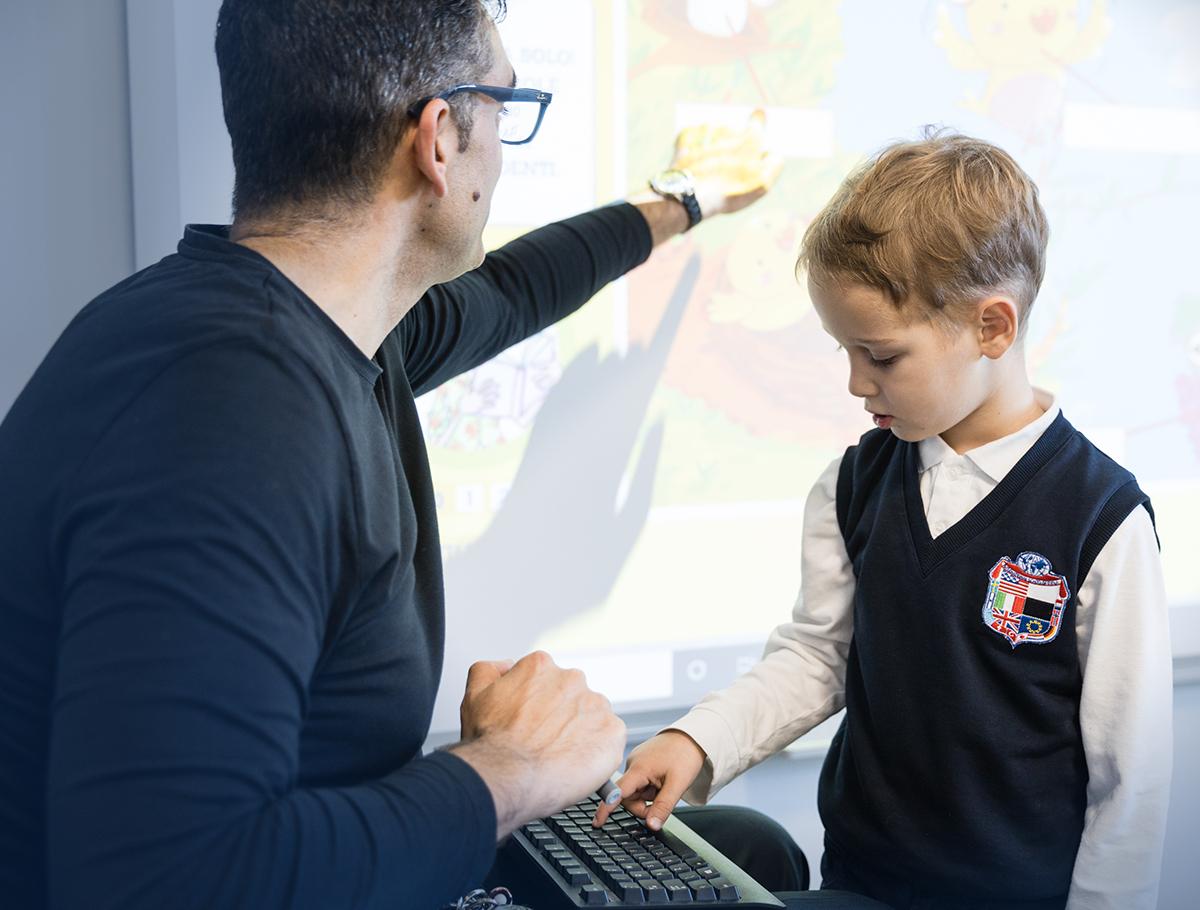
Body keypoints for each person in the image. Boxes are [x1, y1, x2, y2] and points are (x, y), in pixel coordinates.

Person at [0, 1, 783, 908]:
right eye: (503, 109)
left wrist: (688, 200)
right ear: (441, 138)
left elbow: (518, 287)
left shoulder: (303, 326)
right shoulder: (229, 410)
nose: (502, 143)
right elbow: (170, 878)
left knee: (746, 853)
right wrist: (508, 768)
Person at [594, 132, 1174, 910]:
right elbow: (818, 657)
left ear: (992, 329)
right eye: (844, 349)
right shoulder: (855, 482)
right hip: (863, 882)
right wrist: (700, 739)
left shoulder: (1101, 519)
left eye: (882, 356)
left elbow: (1129, 780)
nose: (854, 381)